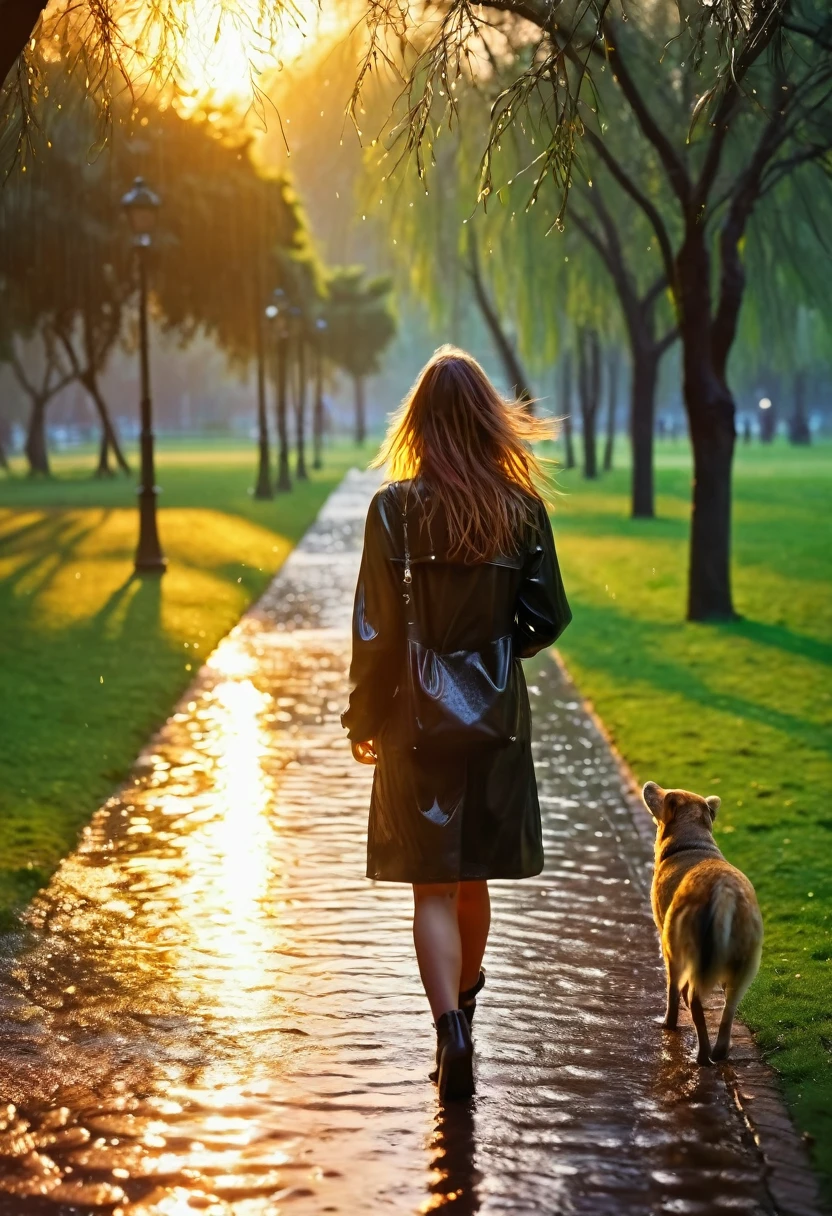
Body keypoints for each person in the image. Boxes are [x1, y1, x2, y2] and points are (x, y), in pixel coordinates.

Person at [341, 346, 571, 1100]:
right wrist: (494, 660)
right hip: (497, 723)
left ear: (420, 424)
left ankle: (448, 1029)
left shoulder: (393, 509)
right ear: (485, 421)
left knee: (431, 889)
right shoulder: (520, 509)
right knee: (473, 881)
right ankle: (467, 1014)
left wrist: (364, 714)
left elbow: (375, 630)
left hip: (414, 725)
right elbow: (548, 616)